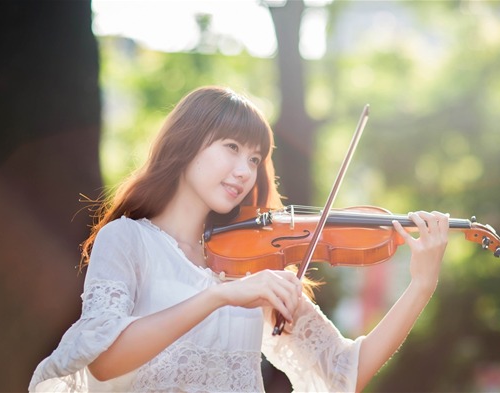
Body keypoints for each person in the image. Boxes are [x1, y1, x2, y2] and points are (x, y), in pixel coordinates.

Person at [28, 85, 450, 393]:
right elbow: (104, 361)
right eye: (231, 147)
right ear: (186, 143)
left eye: (254, 158)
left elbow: (344, 372)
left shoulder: (253, 266)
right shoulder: (127, 241)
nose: (245, 171)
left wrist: (421, 285)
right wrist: (220, 296)